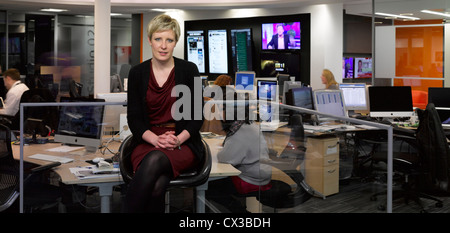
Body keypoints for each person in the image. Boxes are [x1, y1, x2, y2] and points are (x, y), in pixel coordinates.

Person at [124, 14, 204, 213]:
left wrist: (177, 139)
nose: (163, 46)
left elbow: (196, 118)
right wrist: (155, 140)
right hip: (147, 141)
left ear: (175, 42)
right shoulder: (137, 73)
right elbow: (133, 118)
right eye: (158, 39)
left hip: (183, 143)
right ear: (150, 40)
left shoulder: (189, 70)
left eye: (169, 40)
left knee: (156, 160)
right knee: (157, 187)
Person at [206, 93, 273, 213]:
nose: (219, 114)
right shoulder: (247, 124)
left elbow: (225, 159)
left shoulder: (240, 132)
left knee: (208, 187)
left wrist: (218, 152)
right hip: (260, 175)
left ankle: (240, 212)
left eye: (222, 109)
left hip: (252, 180)